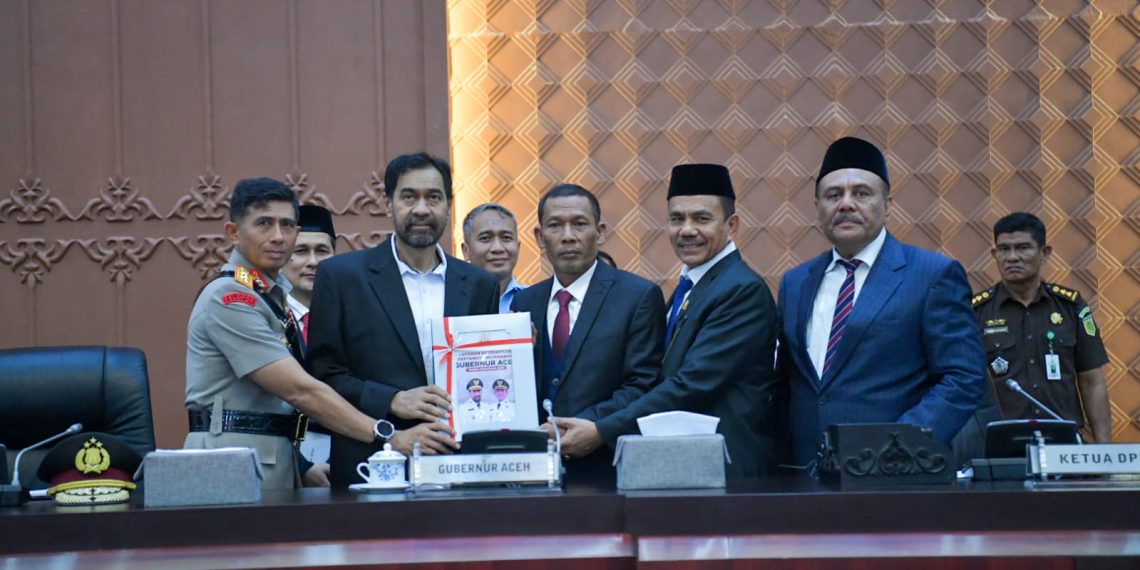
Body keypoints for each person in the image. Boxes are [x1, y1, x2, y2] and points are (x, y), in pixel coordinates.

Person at [551, 164, 781, 479]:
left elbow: (690, 385)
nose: (686, 230)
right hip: (688, 465)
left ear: (732, 225)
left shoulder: (741, 290)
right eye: (676, 219)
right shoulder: (693, 286)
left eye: (702, 219)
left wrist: (601, 431)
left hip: (728, 469)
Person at [776, 137, 986, 470]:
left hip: (894, 474)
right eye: (833, 195)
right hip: (805, 476)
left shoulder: (932, 274)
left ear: (888, 205)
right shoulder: (795, 282)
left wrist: (894, 448)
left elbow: (963, 379)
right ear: (817, 206)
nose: (846, 204)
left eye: (861, 193)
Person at [307, 153, 500, 488]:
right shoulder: (342, 277)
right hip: (372, 464)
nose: (421, 209)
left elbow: (484, 371)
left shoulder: (480, 284)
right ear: (388, 204)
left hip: (461, 464)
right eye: (409, 197)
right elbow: (324, 377)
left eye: (433, 197)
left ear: (449, 205)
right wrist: (392, 400)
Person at [184, 177, 384, 490]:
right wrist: (384, 434)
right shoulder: (231, 297)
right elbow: (300, 391)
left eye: (287, 225)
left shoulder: (268, 295)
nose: (278, 236)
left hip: (269, 457)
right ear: (233, 233)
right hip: (229, 465)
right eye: (264, 223)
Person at [511, 184, 665, 483]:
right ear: (540, 237)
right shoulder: (525, 302)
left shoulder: (637, 296)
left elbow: (642, 385)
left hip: (605, 467)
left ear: (601, 231)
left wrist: (586, 426)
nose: (568, 236)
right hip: (533, 469)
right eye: (555, 225)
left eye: (580, 224)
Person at [972, 212, 1111, 442]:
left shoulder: (1071, 306)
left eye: (1023, 248)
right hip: (1002, 442)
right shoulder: (976, 312)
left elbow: (1092, 382)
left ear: (1044, 253)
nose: (1012, 257)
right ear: (994, 255)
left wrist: (1105, 450)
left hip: (1063, 441)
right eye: (1004, 249)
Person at [280, 204, 337, 487]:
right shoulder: (266, 316)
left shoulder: (352, 317)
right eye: (301, 251)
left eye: (322, 251)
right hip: (281, 457)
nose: (313, 262)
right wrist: (300, 465)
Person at [461, 203, 527, 313]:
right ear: (466, 251)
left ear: (518, 247)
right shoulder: (450, 300)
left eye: (506, 238)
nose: (498, 248)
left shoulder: (539, 300)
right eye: (485, 238)